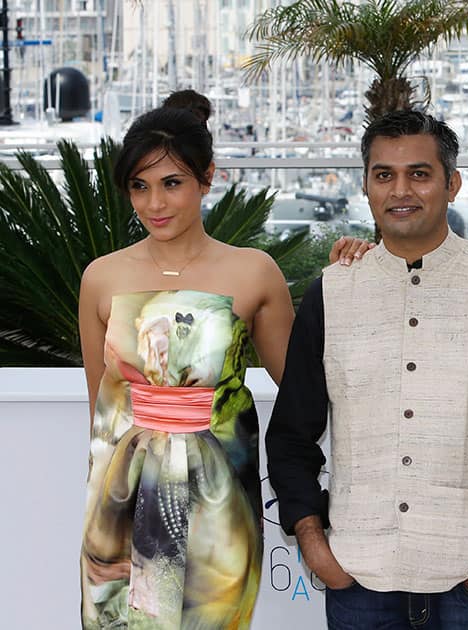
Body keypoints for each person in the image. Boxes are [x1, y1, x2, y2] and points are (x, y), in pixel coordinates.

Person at [265, 109, 468, 629]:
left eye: (419, 173)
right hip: (359, 583)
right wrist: (316, 548)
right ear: (366, 186)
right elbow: (291, 434)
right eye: (383, 175)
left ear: (452, 183)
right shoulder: (332, 292)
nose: (400, 190)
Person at [78, 106, 294, 628]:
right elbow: (102, 410)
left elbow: (302, 386)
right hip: (123, 502)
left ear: (207, 177)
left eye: (172, 182)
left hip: (219, 502)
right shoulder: (101, 279)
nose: (155, 203)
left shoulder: (253, 273)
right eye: (139, 185)